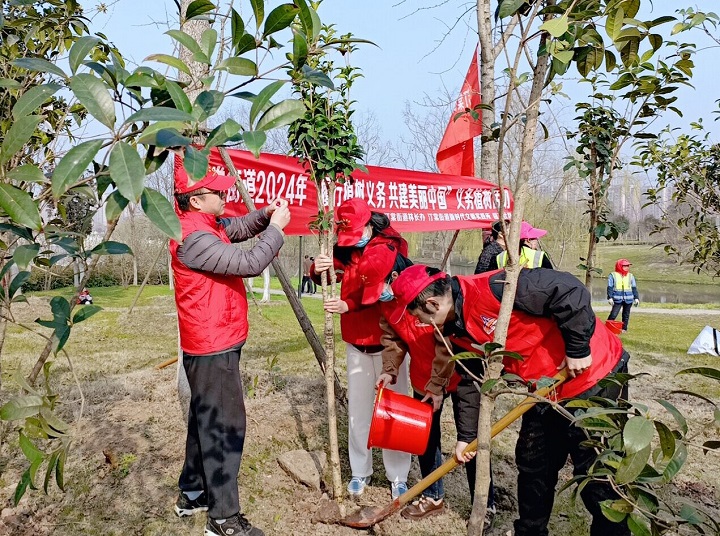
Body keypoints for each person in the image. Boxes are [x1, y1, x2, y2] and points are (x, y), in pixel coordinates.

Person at [390, 264, 631, 536]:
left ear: (433, 303)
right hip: (541, 390)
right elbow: (472, 378)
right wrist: (466, 437)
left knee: (597, 474)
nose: (419, 323)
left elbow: (568, 289)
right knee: (533, 466)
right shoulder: (454, 330)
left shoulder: (498, 287)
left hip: (595, 376)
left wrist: (577, 348)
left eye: (419, 316)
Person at [170, 162, 291, 536]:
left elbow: (236, 228)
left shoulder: (205, 226)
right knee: (225, 426)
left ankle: (193, 492)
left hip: (214, 340)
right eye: (217, 193)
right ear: (194, 202)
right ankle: (223, 519)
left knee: (205, 418)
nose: (225, 197)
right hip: (212, 345)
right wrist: (276, 230)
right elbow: (251, 262)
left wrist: (264, 215)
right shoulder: (193, 239)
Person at [357, 244, 496, 525]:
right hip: (424, 379)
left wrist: (438, 386)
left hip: (462, 374)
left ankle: (485, 502)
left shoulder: (426, 292)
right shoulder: (387, 303)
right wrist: (390, 369)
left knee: (470, 439)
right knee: (424, 439)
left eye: (381, 286)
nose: (381, 295)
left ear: (394, 274)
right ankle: (433, 496)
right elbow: (392, 338)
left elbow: (446, 345)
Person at [311, 197, 411, 499]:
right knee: (358, 412)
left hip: (388, 346)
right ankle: (360, 471)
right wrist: (318, 267)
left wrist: (358, 301)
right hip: (356, 345)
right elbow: (321, 274)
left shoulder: (391, 250)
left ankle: (398, 475)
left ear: (369, 225)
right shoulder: (345, 248)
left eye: (358, 234)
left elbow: (406, 289)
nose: (354, 241)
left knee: (393, 410)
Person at [489, 221, 553, 270]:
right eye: (535, 238)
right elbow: (552, 279)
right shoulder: (539, 256)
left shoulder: (499, 257)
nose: (537, 240)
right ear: (528, 240)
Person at [607, 258, 639, 332]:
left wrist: (636, 298)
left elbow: (634, 288)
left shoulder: (631, 276)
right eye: (625, 266)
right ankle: (607, 329)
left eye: (628, 266)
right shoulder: (613, 275)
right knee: (613, 314)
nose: (627, 267)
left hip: (629, 299)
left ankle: (624, 329)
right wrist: (610, 297)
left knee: (626, 315)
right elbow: (610, 287)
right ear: (619, 266)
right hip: (617, 299)